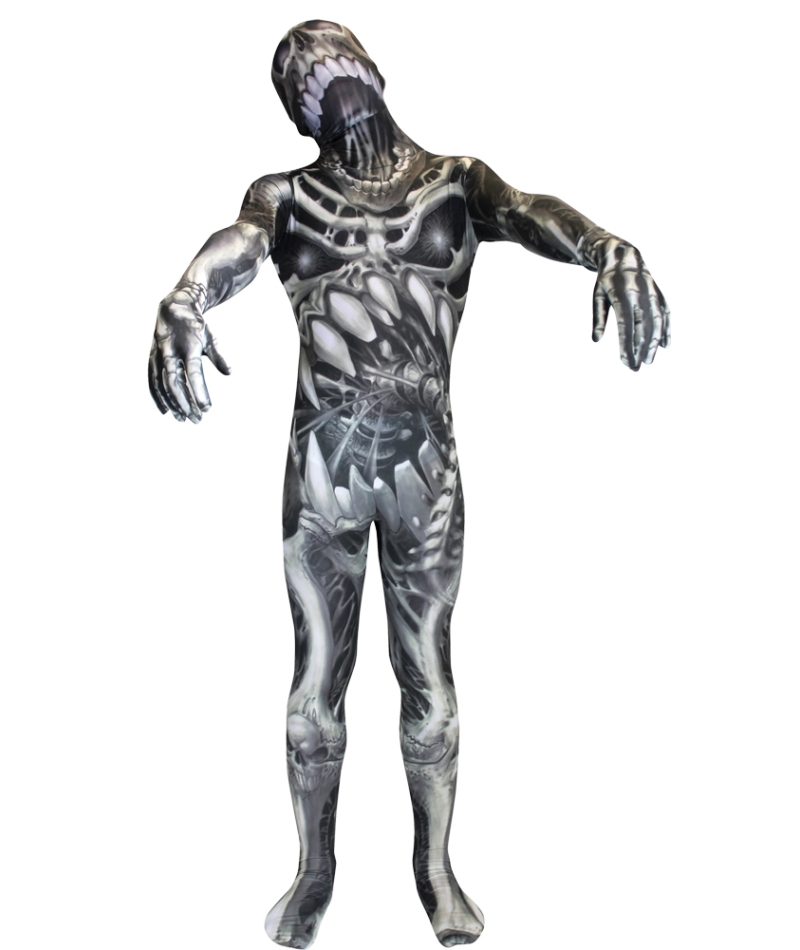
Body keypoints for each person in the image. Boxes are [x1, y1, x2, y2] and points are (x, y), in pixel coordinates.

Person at [148, 20, 670, 948]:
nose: (315, 69)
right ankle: (314, 870)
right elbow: (240, 245)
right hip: (323, 469)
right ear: (294, 112)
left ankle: (434, 867)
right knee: (314, 683)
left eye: (331, 56)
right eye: (297, 75)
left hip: (426, 469)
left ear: (377, 70)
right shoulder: (283, 197)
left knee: (428, 670)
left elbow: (530, 211)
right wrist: (186, 294)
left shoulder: (456, 183)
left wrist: (608, 247)